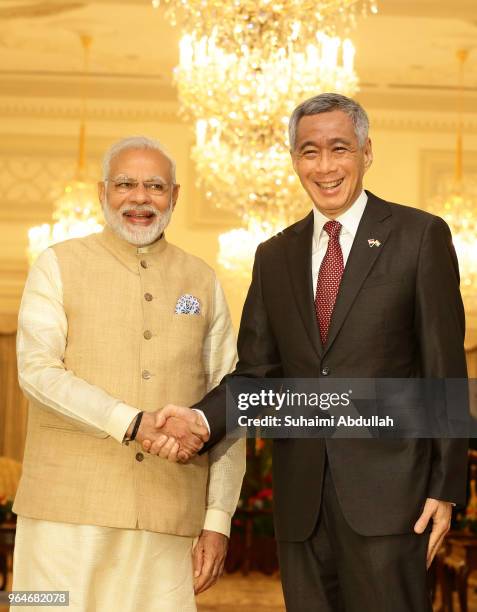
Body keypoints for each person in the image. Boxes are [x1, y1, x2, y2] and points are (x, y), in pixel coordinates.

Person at [152, 94, 468, 611]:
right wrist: (199, 420)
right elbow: (256, 373)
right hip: (302, 504)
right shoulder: (274, 256)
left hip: (394, 500)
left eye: (339, 148)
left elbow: (444, 371)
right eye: (309, 151)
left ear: (366, 152)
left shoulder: (418, 237)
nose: (324, 166)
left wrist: (447, 487)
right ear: (295, 159)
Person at [12, 136, 245, 612]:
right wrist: (132, 422)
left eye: (155, 186)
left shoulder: (201, 280)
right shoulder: (57, 264)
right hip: (63, 512)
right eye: (126, 184)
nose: (140, 198)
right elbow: (36, 372)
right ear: (102, 191)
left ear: (175, 196)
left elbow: (230, 401)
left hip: (169, 515)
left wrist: (218, 520)